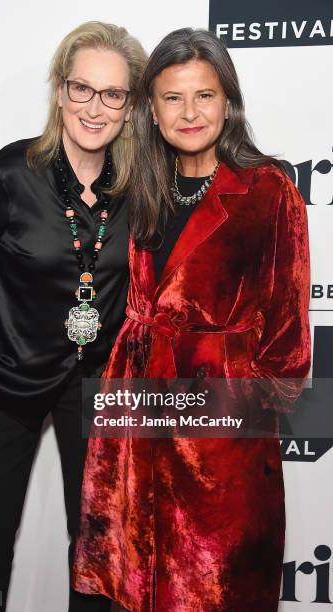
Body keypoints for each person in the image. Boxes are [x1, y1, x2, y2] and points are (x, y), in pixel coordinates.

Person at [72, 28, 311, 612]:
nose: (189, 112)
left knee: (215, 583)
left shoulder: (267, 188)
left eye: (204, 95)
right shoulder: (136, 186)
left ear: (228, 102)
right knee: (135, 577)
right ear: (150, 110)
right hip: (133, 414)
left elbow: (288, 325)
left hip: (222, 429)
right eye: (172, 98)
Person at [0, 21, 146, 612]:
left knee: (98, 548)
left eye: (112, 95)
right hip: (7, 382)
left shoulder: (138, 188)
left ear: (130, 108)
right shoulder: (5, 174)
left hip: (96, 389)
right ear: (59, 92)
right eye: (83, 89)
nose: (95, 108)